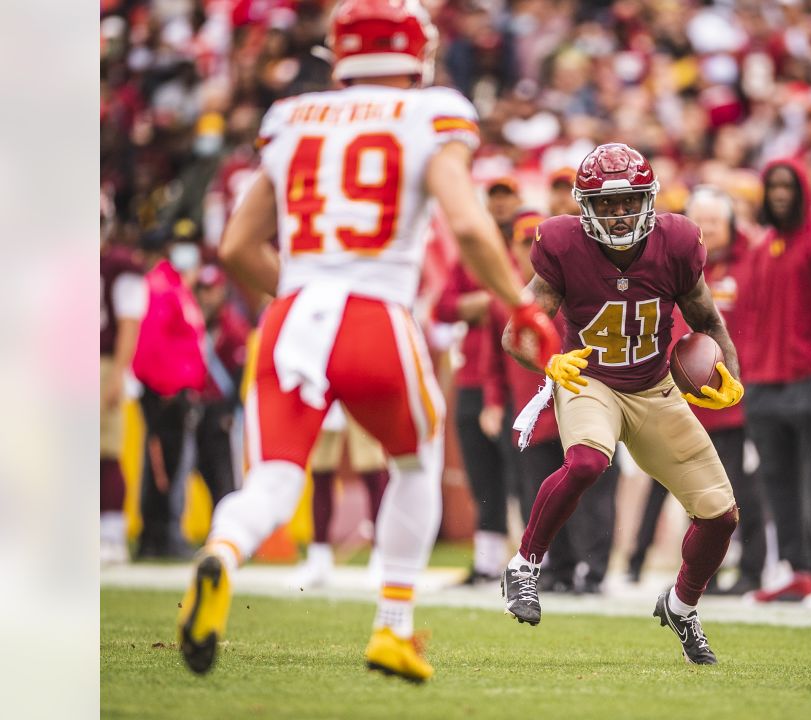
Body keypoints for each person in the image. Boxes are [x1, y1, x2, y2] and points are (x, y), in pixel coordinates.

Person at [176, 0, 558, 683]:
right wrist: (516, 304)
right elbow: (470, 228)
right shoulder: (428, 113)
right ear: (415, 50)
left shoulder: (292, 118)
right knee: (414, 464)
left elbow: (236, 245)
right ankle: (394, 627)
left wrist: (299, 289)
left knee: (271, 479)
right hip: (376, 315)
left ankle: (224, 553)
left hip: (293, 312)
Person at [499, 142, 744, 666]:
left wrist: (731, 375)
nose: (617, 213)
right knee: (587, 461)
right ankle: (523, 566)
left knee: (720, 514)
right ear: (584, 206)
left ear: (649, 199)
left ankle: (681, 606)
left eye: (627, 201)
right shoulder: (562, 243)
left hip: (655, 387)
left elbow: (709, 322)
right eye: (605, 204)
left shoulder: (677, 242)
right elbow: (516, 333)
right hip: (588, 376)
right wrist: (550, 362)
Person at [627, 186, 764, 596]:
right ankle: (635, 562)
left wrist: (744, 382)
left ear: (732, 225)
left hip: (728, 399)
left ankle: (745, 570)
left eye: (717, 222)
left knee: (734, 491)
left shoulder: (750, 263)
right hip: (672, 395)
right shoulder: (669, 261)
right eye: (700, 221)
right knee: (658, 483)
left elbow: (755, 329)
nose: (708, 229)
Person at [485, 210, 621, 595]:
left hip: (584, 402)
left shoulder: (577, 283)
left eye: (534, 241)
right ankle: (558, 569)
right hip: (533, 410)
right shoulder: (504, 296)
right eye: (522, 241)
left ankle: (593, 571)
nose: (528, 248)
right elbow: (492, 359)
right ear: (511, 244)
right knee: (540, 495)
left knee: (592, 491)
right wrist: (494, 402)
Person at [740, 158, 811, 606]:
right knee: (778, 479)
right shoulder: (761, 247)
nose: (780, 193)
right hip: (764, 385)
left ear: (803, 190)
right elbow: (748, 319)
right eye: (773, 186)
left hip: (809, 381)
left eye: (788, 185)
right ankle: (797, 569)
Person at [434, 181, 524, 585]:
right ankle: (488, 561)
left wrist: (485, 304)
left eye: (508, 199)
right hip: (471, 374)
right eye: (496, 199)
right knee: (480, 470)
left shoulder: (528, 248)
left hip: (515, 376)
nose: (501, 206)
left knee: (522, 469)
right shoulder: (473, 253)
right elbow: (443, 306)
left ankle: (532, 560)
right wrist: (485, 303)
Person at [132, 226, 206, 560]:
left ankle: (164, 533)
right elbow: (150, 343)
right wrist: (163, 388)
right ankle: (157, 536)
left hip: (178, 390)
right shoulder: (161, 287)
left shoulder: (178, 288)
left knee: (173, 465)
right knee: (162, 463)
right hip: (165, 391)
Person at [290, 404, 389, 589]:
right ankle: (319, 558)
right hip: (326, 382)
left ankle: (382, 557)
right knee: (321, 466)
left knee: (370, 463)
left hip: (356, 380)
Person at [101, 239, 146, 564]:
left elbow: (129, 322)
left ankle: (112, 535)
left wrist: (118, 372)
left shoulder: (118, 263)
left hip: (103, 361)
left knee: (106, 451)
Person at [192, 265, 251, 512]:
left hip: (223, 410)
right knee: (203, 468)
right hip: (199, 406)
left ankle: (229, 530)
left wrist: (231, 410)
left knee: (225, 474)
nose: (206, 296)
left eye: (211, 290)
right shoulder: (194, 322)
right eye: (203, 290)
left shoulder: (234, 327)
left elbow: (241, 373)